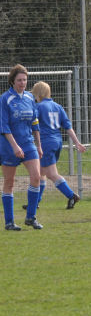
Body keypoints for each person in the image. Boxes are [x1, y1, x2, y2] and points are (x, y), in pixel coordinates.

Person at [21, 81, 86, 211]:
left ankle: (71, 195)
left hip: (46, 142)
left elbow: (32, 124)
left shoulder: (38, 107)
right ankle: (35, 203)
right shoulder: (58, 106)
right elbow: (68, 127)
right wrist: (77, 142)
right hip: (57, 142)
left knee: (50, 173)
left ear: (38, 93)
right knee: (41, 173)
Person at [1, 64, 43, 230]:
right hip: (9, 145)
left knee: (36, 177)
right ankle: (9, 222)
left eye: (25, 80)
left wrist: (38, 145)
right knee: (9, 182)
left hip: (28, 143)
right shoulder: (5, 99)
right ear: (12, 81)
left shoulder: (29, 98)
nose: (22, 83)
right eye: (19, 80)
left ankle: (31, 217)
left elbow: (35, 122)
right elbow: (3, 126)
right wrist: (15, 146)